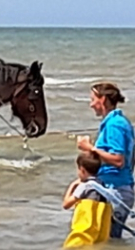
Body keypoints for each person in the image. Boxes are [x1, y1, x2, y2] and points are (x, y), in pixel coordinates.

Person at [77, 82, 134, 239]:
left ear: (102, 100)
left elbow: (118, 160)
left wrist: (90, 148)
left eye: (93, 99)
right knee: (107, 241)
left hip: (116, 190)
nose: (91, 104)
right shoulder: (114, 122)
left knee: (108, 239)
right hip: (115, 188)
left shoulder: (115, 125)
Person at [63, 152, 112, 248]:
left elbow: (66, 204)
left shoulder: (84, 187)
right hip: (98, 236)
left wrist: (72, 186)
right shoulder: (102, 186)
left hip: (83, 236)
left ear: (82, 170)